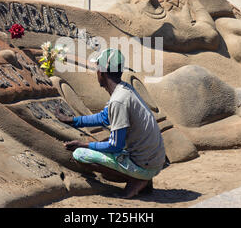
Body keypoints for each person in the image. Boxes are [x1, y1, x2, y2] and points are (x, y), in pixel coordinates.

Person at [55, 48, 166, 199]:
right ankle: (143, 178)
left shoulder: (118, 100)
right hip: (155, 160)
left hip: (146, 165)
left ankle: (137, 180)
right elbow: (104, 118)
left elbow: (115, 146)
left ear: (101, 71)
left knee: (80, 155)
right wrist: (73, 121)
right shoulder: (125, 89)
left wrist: (83, 144)